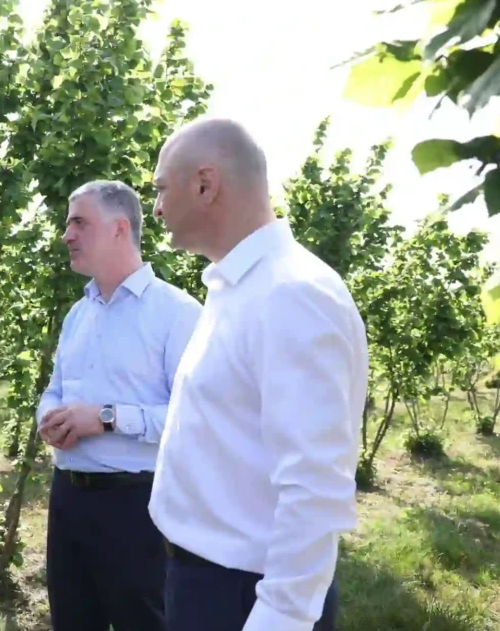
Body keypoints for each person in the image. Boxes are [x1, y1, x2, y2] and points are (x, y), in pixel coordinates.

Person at [148, 117, 368, 631]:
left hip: (244, 597)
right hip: (206, 581)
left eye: (161, 189)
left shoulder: (292, 295)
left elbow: (315, 484)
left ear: (205, 184)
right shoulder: (239, 288)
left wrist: (281, 617)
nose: (156, 207)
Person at [36, 180, 202, 631]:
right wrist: (49, 419)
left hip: (136, 505)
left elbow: (196, 419)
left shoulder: (177, 313)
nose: (66, 235)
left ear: (119, 229)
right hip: (68, 498)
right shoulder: (79, 313)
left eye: (78, 222)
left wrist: (106, 418)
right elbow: (55, 389)